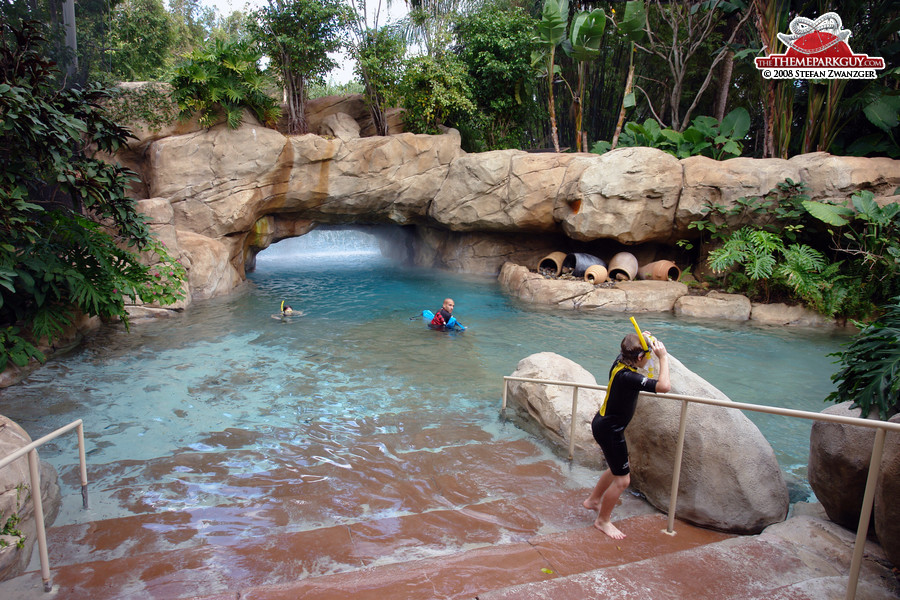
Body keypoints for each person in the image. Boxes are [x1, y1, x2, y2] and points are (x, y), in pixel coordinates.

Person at [583, 331, 670, 540]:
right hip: (610, 431)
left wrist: (643, 338)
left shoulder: (620, 363)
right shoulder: (629, 377)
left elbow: (631, 347)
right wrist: (663, 357)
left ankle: (593, 501)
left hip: (603, 424)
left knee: (617, 467)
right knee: (623, 481)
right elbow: (664, 386)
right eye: (646, 355)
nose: (648, 358)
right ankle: (602, 521)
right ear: (640, 358)